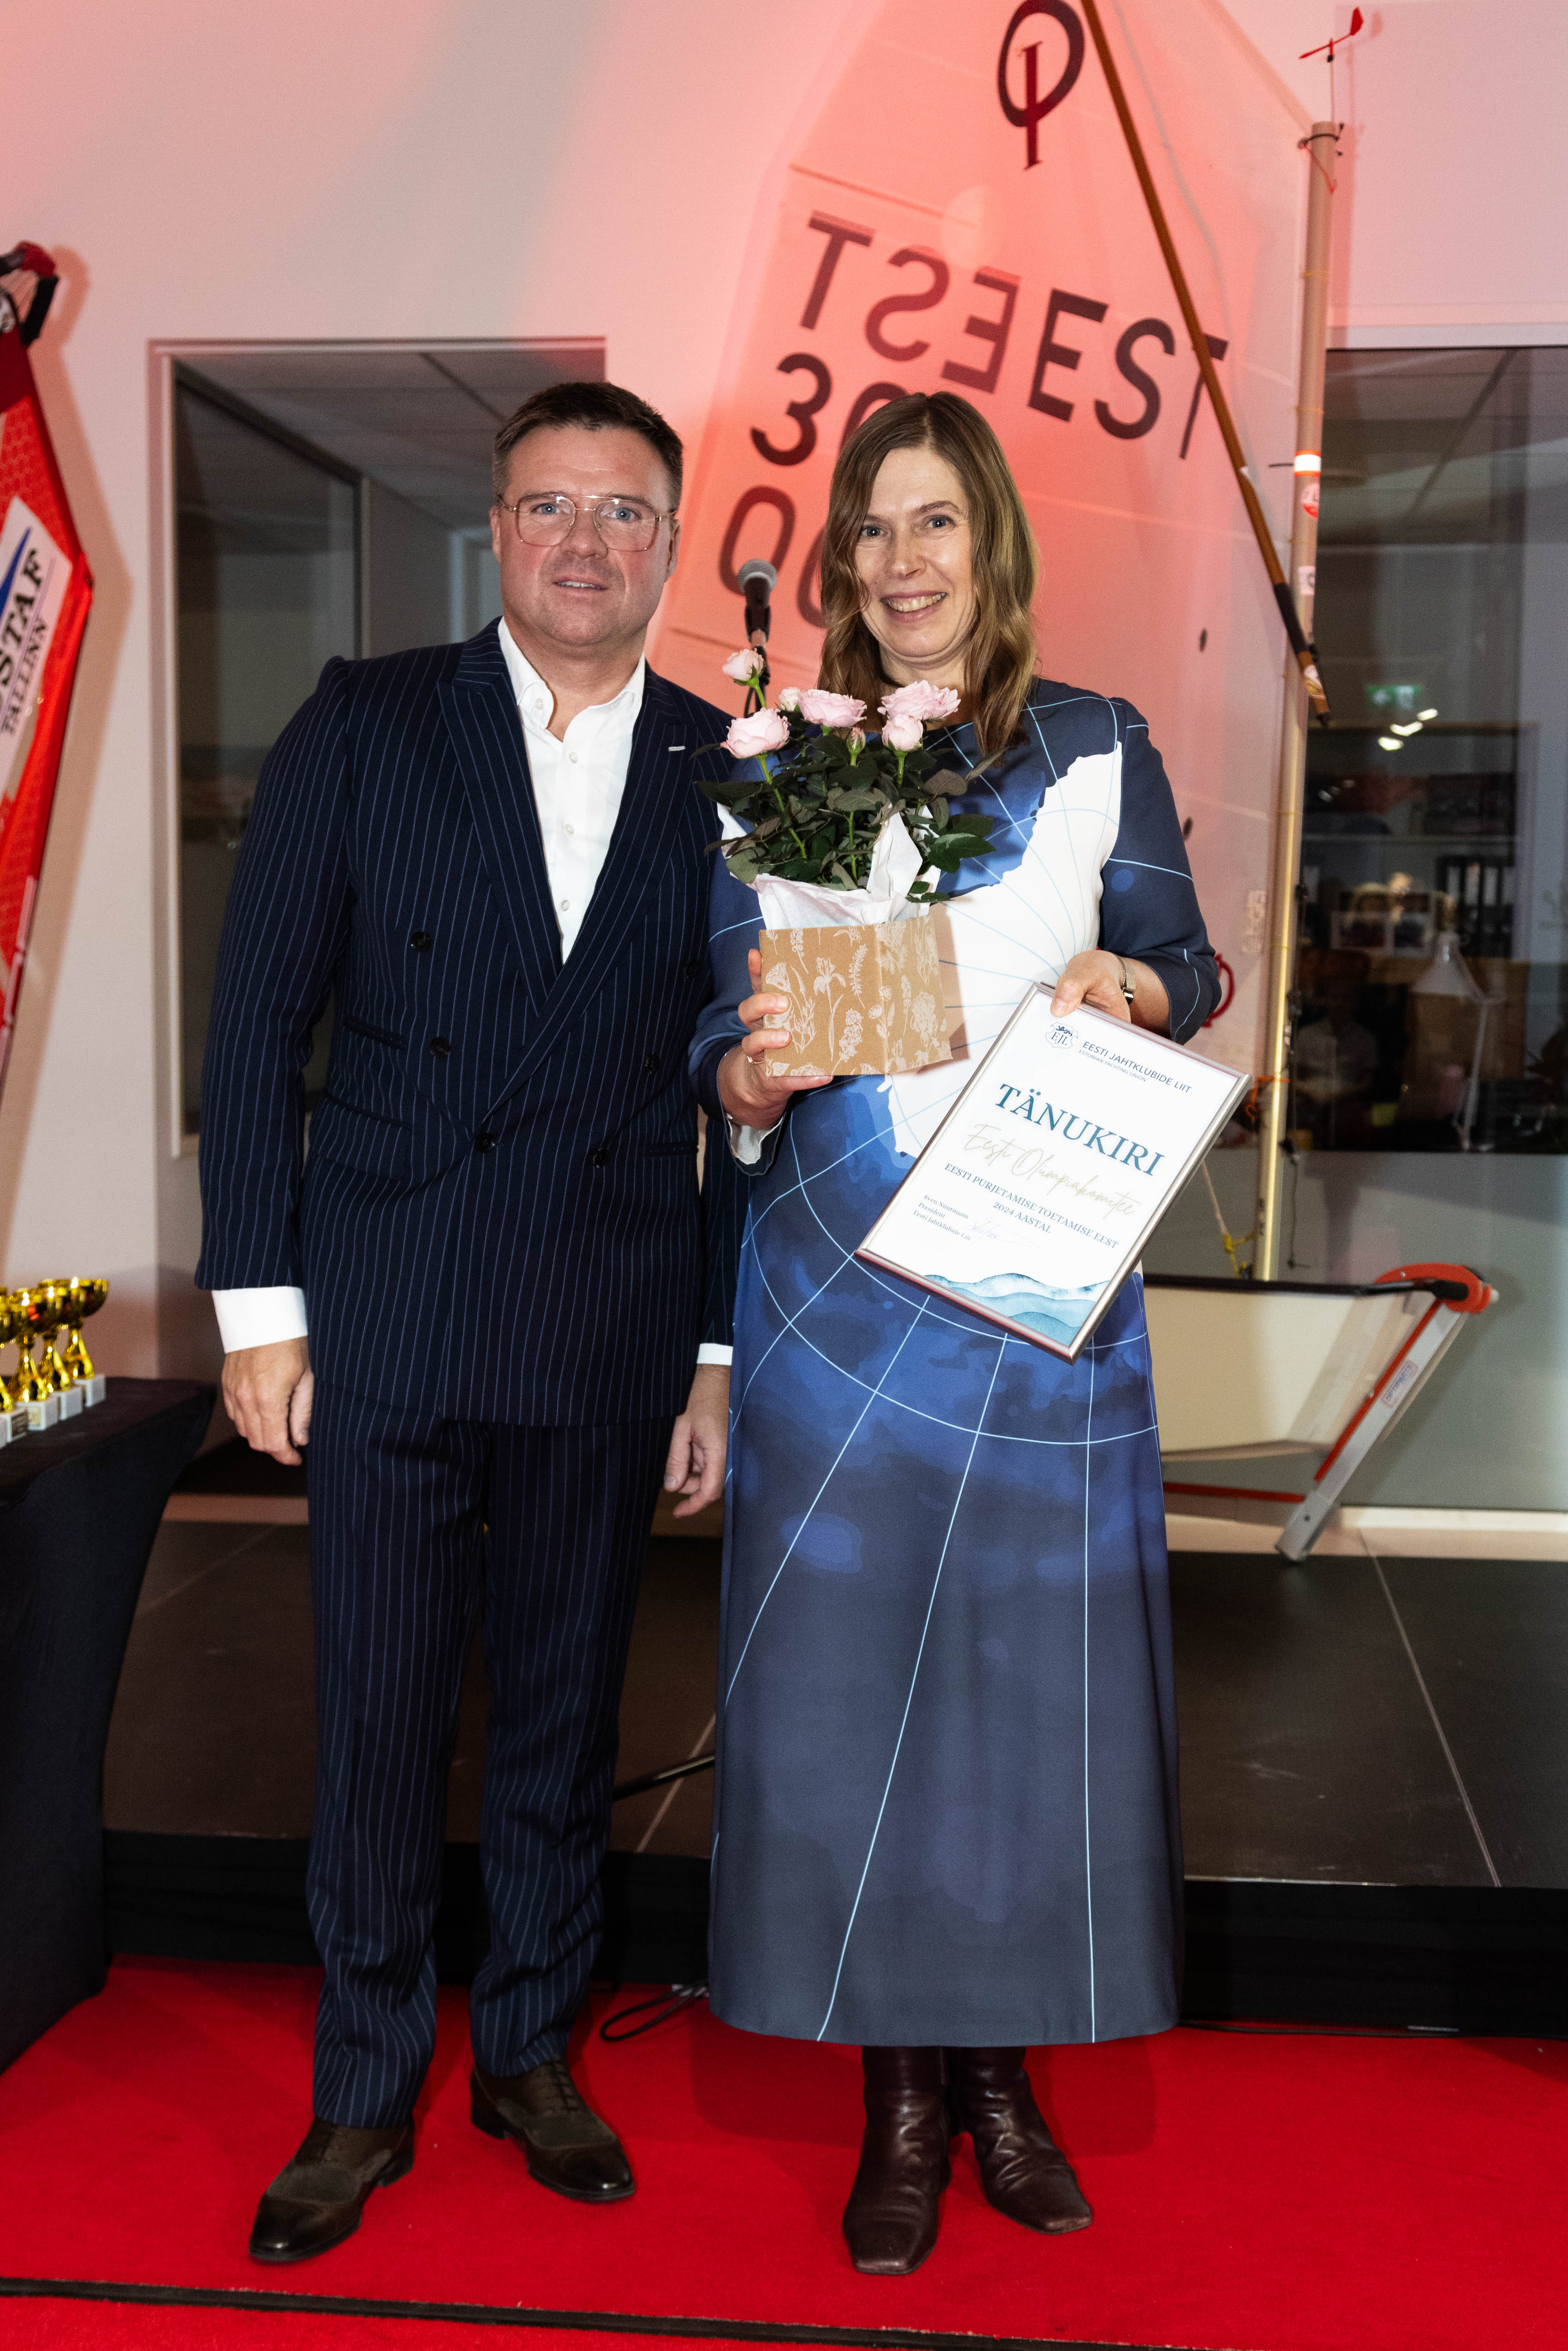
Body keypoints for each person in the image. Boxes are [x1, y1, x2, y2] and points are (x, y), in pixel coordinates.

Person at [197, 380, 743, 2262]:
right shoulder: (366, 722)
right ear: (495, 529)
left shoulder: (732, 766)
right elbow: (255, 1030)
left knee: (563, 1715)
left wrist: (717, 1352)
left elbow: (744, 1094)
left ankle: (525, 2050)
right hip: (390, 1303)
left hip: (608, 1309)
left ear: (668, 544)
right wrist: (259, 1306)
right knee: (377, 1715)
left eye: (622, 510)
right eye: (550, 506)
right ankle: (361, 2086)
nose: (585, 541)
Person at [691, 391, 1220, 2276]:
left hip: (1033, 1283)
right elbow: (718, 1022)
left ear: (993, 538)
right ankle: (899, 2101)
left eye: (937, 521)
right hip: (829, 1288)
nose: (903, 560)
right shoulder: (782, 762)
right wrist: (749, 1068)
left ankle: (1006, 2080)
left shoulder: (1096, 739)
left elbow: (1189, 962)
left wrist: (1127, 979)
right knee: (847, 1704)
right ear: (839, 557)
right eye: (873, 526)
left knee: (1025, 1695)